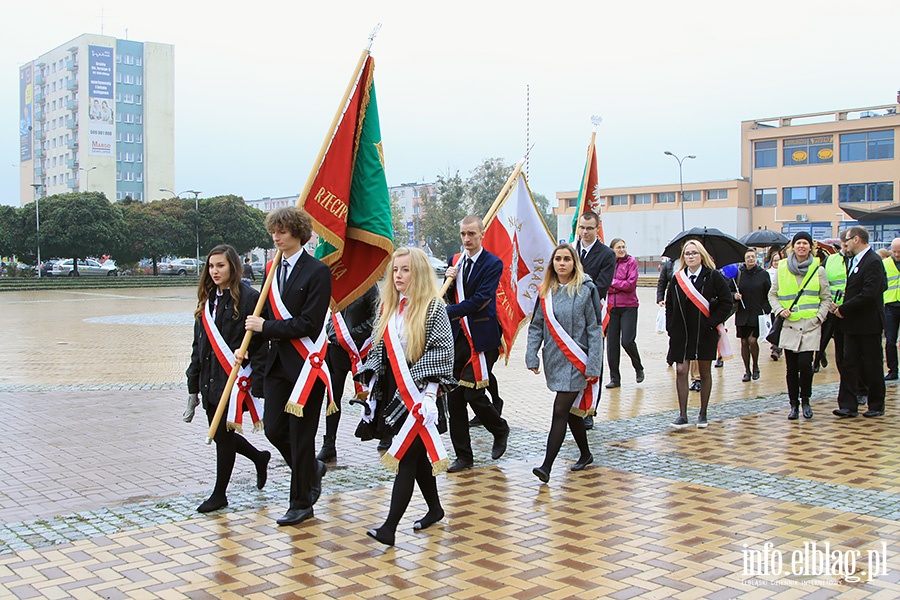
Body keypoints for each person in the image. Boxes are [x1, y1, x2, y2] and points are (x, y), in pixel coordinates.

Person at [356, 248, 456, 546]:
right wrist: (371, 377)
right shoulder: (388, 305)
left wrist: (429, 396)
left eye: (405, 270)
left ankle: (389, 528)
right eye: (395, 270)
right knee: (417, 455)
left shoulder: (435, 308)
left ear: (420, 273)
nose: (398, 276)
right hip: (393, 394)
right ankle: (435, 508)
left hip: (422, 395)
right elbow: (378, 348)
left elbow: (441, 354)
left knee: (405, 457)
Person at [244, 207, 332, 526]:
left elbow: (309, 323)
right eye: (273, 232)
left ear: (297, 233)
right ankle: (311, 469)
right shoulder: (271, 269)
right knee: (273, 429)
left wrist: (265, 328)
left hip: (307, 365)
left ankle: (301, 503)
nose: (276, 237)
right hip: (277, 365)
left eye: (281, 231)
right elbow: (260, 311)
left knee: (300, 436)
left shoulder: (317, 271)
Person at [185, 244, 270, 513]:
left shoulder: (249, 299)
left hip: (234, 379)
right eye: (211, 266)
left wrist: (257, 382)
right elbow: (198, 346)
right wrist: (192, 386)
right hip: (210, 379)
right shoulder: (207, 299)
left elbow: (261, 342)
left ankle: (219, 494)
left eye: (220, 265)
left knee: (222, 436)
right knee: (224, 434)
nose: (214, 271)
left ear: (233, 266)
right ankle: (259, 457)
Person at [526, 244, 603, 482]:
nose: (562, 263)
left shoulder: (586, 290)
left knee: (560, 410)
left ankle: (546, 466)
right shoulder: (545, 291)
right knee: (570, 413)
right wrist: (531, 354)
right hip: (555, 358)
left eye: (567, 259)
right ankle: (586, 453)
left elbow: (594, 329)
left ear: (574, 263)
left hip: (578, 360)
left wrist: (594, 365)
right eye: (557, 259)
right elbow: (536, 325)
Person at [444, 215, 510, 472]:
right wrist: (449, 280)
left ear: (482, 234)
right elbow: (451, 295)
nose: (467, 239)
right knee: (454, 399)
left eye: (472, 233)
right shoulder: (455, 261)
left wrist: (447, 311)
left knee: (472, 391)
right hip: (458, 337)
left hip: (482, 336)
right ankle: (464, 456)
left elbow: (481, 299)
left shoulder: (492, 263)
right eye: (463, 234)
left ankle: (499, 428)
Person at [666, 239, 733, 429]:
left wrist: (712, 323)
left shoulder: (713, 277)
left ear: (701, 255)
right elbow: (669, 303)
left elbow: (727, 303)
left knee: (704, 372)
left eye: (694, 253)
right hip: (681, 333)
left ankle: (703, 413)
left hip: (705, 332)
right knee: (681, 370)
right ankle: (682, 414)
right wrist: (671, 326)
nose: (691, 257)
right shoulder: (677, 279)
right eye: (687, 254)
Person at [768, 233, 831, 420]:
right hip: (790, 325)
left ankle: (806, 400)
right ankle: (793, 404)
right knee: (791, 367)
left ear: (810, 247)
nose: (801, 246)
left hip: (810, 325)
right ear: (792, 247)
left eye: (805, 243)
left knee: (805, 365)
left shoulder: (818, 269)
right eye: (798, 243)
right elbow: (773, 295)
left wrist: (820, 317)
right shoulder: (782, 268)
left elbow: (825, 298)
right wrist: (780, 310)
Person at [317, 284, 380, 463]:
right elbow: (333, 315)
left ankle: (386, 436)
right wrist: (333, 332)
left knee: (376, 393)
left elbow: (377, 317)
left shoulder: (369, 285)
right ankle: (329, 444)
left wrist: (354, 334)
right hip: (337, 350)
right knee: (333, 397)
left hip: (362, 348)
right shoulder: (341, 283)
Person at [833, 226, 887, 418]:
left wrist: (844, 308)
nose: (845, 243)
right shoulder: (854, 261)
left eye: (847, 239)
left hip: (868, 324)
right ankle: (848, 405)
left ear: (857, 239)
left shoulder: (873, 261)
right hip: (852, 324)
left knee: (872, 364)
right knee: (849, 364)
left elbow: (870, 293)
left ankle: (876, 404)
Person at [574, 210, 615, 428]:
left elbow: (601, 286)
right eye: (582, 227)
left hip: (593, 314)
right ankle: (574, 401)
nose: (585, 232)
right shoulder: (571, 251)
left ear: (597, 229)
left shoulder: (606, 254)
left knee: (593, 360)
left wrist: (577, 300)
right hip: (569, 317)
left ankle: (590, 409)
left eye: (590, 228)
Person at [605, 238, 644, 387]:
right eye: (618, 247)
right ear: (612, 249)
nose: (621, 249)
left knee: (627, 341)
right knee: (612, 345)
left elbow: (630, 285)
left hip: (629, 306)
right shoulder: (609, 263)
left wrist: (613, 283)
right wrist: (616, 285)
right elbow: (604, 284)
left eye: (623, 247)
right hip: (612, 308)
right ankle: (615, 378)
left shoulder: (631, 262)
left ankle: (638, 367)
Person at [730, 249, 771, 382]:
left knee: (753, 340)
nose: (751, 259)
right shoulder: (738, 275)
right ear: (744, 259)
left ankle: (755, 366)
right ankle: (746, 370)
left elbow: (769, 293)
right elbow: (729, 290)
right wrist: (734, 296)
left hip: (757, 313)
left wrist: (766, 308)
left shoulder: (763, 274)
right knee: (743, 342)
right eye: (748, 257)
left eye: (753, 257)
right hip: (742, 312)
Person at [816, 232, 849, 374]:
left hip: (850, 309)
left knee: (846, 347)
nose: (847, 248)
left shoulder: (860, 261)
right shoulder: (830, 260)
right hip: (831, 308)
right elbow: (822, 284)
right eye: (845, 244)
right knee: (825, 340)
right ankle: (817, 361)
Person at [881, 238, 900, 380]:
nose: (897, 254)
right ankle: (892, 370)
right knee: (890, 340)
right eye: (894, 252)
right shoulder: (885, 264)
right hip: (890, 305)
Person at [766, 249, 784, 361]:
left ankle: (777, 348)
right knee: (774, 326)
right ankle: (775, 345)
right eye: (775, 261)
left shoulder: (785, 272)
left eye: (778, 260)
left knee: (780, 327)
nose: (776, 263)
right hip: (772, 306)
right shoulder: (768, 273)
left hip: (783, 305)